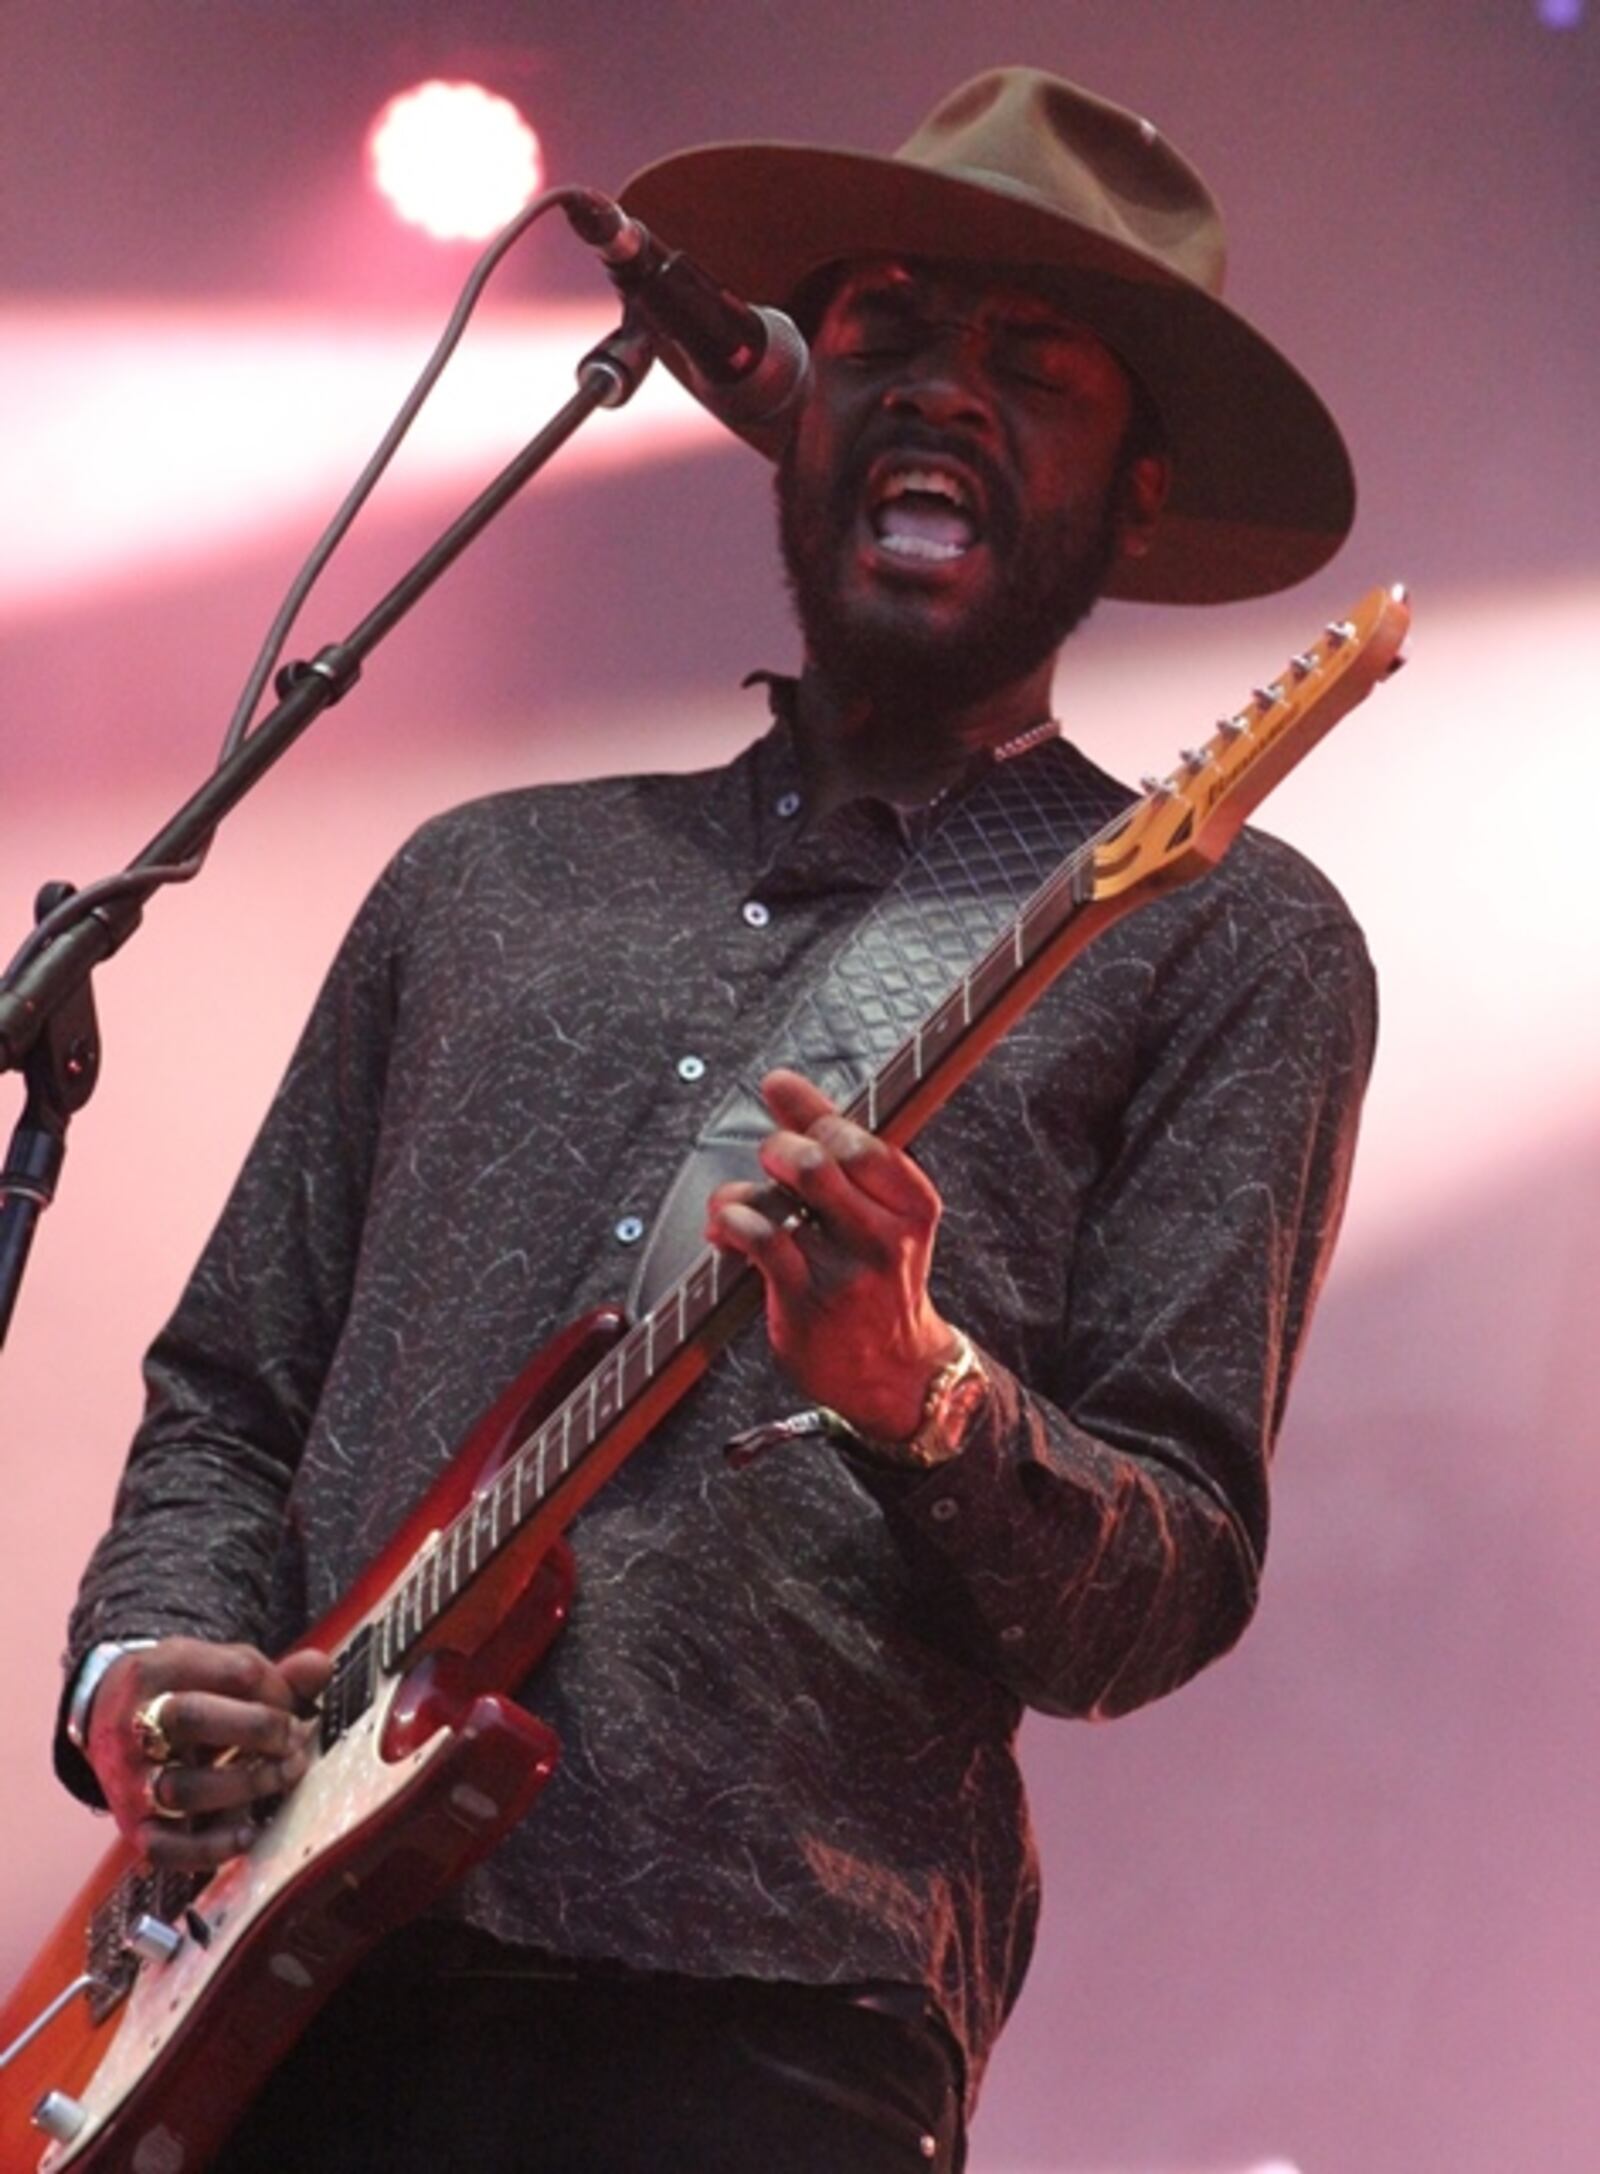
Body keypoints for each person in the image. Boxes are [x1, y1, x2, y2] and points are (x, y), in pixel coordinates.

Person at [52, 67, 1374, 2172]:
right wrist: (136, 1681)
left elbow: (1163, 1584)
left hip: (757, 2011)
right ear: (789, 400)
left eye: (1030, 370)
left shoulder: (1213, 930)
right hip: (257, 1978)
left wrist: (919, 1393)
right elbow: (228, 1391)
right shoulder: (485, 878)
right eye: (887, 334)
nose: (944, 394)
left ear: (1134, 499)